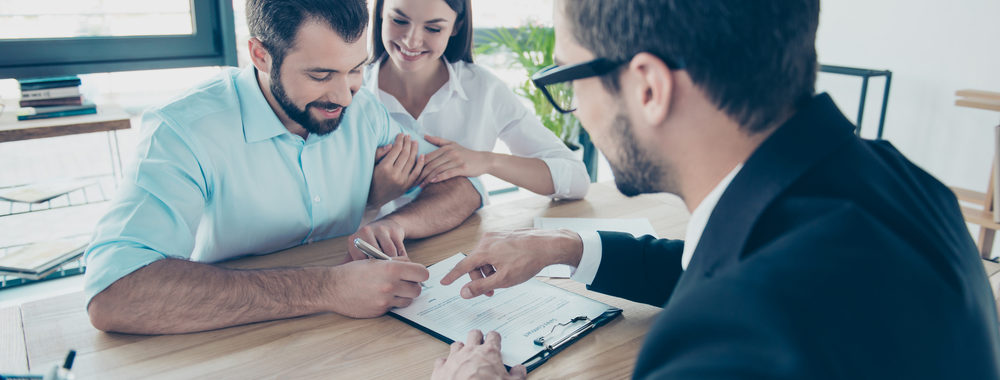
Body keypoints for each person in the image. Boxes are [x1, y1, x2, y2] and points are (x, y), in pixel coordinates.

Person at [432, 0, 1000, 378]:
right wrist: (565, 249)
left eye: (570, 78)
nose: (576, 106)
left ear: (649, 87)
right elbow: (733, 261)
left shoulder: (727, 341)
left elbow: (746, 297)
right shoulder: (901, 181)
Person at [83, 0, 484, 335]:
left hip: (353, 336)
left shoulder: (363, 111)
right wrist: (326, 288)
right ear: (260, 55)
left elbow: (462, 187)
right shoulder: (183, 130)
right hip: (232, 337)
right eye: (320, 74)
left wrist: (395, 224)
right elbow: (114, 291)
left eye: (356, 69)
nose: (345, 95)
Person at [361, 0, 590, 218]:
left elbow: (577, 180)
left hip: (464, 246)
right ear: (381, 11)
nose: (411, 40)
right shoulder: (352, 92)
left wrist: (487, 161)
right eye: (399, 21)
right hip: (372, 251)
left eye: (433, 28)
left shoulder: (483, 89)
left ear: (456, 26)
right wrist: (373, 197)